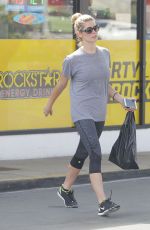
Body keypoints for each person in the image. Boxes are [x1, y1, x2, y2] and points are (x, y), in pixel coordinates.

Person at [44, 13, 131, 216]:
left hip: (99, 112)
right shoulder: (72, 60)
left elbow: (105, 85)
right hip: (82, 113)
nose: (94, 32)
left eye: (96, 28)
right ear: (79, 34)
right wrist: (49, 103)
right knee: (95, 152)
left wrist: (121, 100)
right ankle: (103, 202)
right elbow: (62, 84)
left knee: (82, 153)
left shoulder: (105, 53)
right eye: (89, 30)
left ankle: (65, 189)